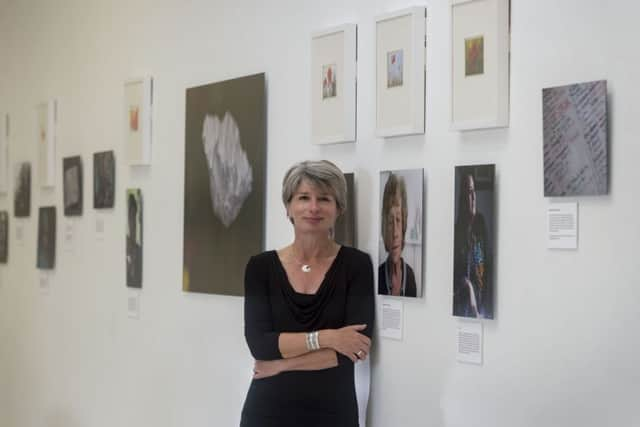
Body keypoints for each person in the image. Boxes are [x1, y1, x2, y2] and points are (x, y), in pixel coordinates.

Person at [240, 160, 375, 427]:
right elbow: (259, 344)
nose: (313, 208)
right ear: (289, 206)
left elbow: (354, 350)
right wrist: (328, 337)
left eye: (324, 199)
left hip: (333, 413)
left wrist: (280, 364)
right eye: (304, 198)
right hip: (267, 412)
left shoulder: (356, 265)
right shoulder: (260, 267)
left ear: (339, 208)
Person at [453, 172, 491, 318]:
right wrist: (468, 287)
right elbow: (456, 280)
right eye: (469, 192)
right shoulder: (457, 233)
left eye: (474, 190)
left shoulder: (480, 224)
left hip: (483, 310)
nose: (474, 196)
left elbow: (488, 267)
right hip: (465, 312)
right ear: (462, 198)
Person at [378, 173, 417, 297]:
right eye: (390, 222)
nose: (395, 233)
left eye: (398, 220)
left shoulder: (410, 276)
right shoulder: (377, 276)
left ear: (404, 227)